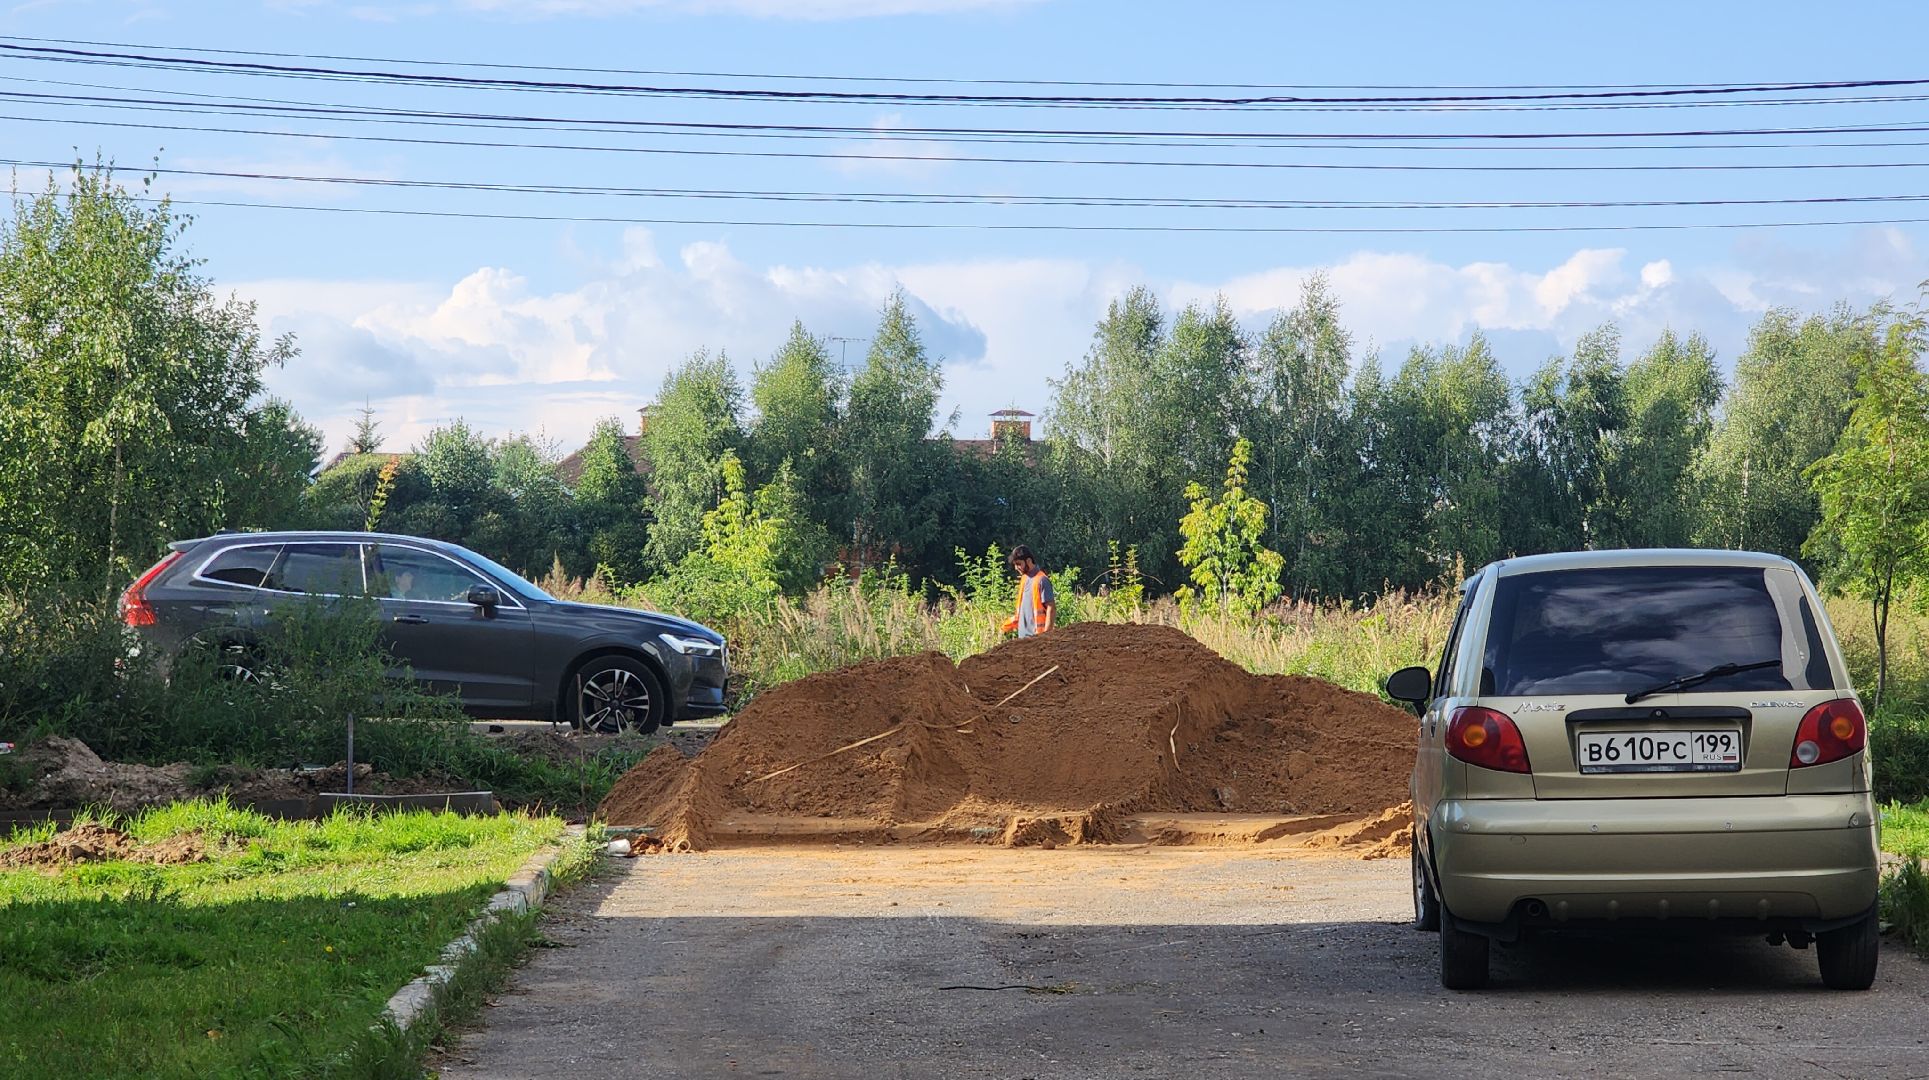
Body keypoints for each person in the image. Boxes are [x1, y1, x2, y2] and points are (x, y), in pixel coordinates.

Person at [1000, 545, 1055, 638]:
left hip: (1038, 638)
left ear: (1028, 561)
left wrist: (1046, 636)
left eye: (1018, 564)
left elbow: (1051, 608)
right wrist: (1005, 627)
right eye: (1015, 564)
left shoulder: (1042, 580)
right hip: (1023, 638)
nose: (1016, 568)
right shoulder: (1024, 579)